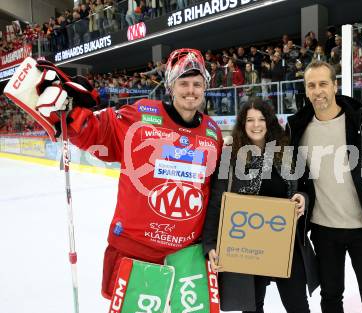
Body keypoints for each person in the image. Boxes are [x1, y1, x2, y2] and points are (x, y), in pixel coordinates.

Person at [33, 48, 224, 298]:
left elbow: (217, 187)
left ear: (205, 86)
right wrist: (71, 116)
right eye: (184, 83)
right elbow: (100, 134)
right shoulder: (143, 114)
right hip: (137, 250)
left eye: (197, 84)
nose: (191, 90)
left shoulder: (213, 131)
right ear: (171, 86)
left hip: (187, 255)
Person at [286, 61, 362, 313]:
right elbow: (288, 172)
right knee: (330, 296)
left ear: (335, 86)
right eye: (311, 85)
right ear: (306, 91)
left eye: (323, 84)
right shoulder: (298, 128)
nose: (318, 91)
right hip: (323, 229)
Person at [203, 98, 319, 313]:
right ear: (242, 124)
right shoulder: (230, 155)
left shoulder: (286, 153)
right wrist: (210, 243)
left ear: (270, 122)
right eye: (250, 120)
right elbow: (218, 200)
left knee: (298, 307)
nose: (256, 125)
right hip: (247, 246)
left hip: (285, 242)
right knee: (253, 310)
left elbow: (306, 188)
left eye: (261, 119)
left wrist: (302, 198)